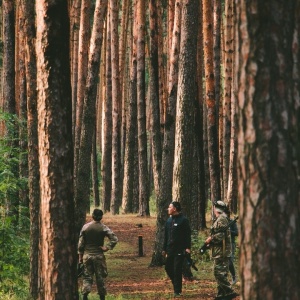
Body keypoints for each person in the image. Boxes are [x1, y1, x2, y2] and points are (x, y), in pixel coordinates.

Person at [78, 209, 118, 300]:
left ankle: (85, 296)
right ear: (101, 217)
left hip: (87, 256)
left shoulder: (85, 227)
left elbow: (80, 244)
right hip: (98, 256)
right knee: (100, 278)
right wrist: (107, 247)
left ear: (92, 216)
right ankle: (102, 297)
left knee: (87, 277)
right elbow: (114, 238)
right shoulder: (103, 228)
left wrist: (80, 258)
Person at [204, 201, 238, 300]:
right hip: (219, 251)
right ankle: (221, 295)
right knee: (221, 273)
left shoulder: (221, 219)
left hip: (221, 252)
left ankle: (229, 291)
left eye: (214, 207)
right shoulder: (221, 219)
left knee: (218, 272)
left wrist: (211, 239)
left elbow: (221, 235)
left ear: (216, 208)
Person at [162, 201, 191, 297]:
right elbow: (166, 236)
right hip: (170, 249)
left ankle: (177, 291)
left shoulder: (183, 220)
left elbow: (187, 235)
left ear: (174, 209)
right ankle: (176, 283)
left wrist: (187, 248)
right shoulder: (169, 221)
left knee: (177, 269)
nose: (168, 209)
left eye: (170, 207)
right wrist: (164, 249)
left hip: (180, 249)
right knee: (168, 267)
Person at [225, 206, 238, 285]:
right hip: (223, 244)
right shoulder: (221, 222)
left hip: (231, 244)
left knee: (230, 261)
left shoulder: (232, 222)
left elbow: (236, 233)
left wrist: (229, 231)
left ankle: (234, 277)